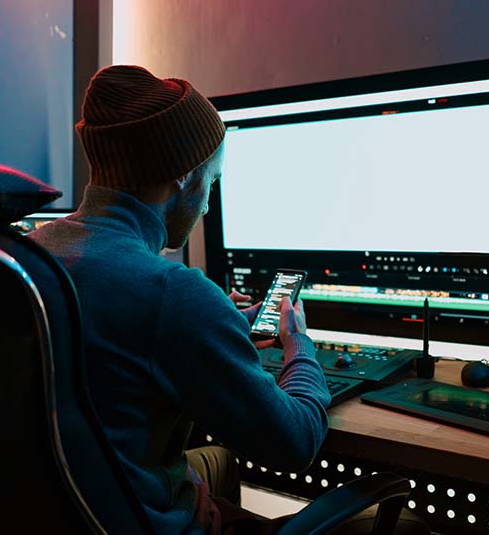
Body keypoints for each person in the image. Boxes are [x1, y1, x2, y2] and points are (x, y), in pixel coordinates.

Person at [31, 65, 331, 534]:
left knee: (218, 460)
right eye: (210, 183)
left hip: (58, 507)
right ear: (184, 177)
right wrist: (300, 347)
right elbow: (296, 442)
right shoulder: (174, 293)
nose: (208, 204)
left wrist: (214, 323)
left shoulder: (28, 256)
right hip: (136, 520)